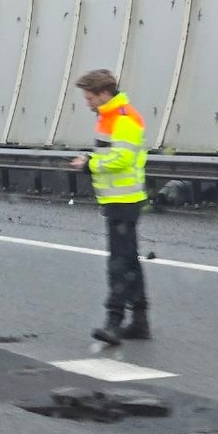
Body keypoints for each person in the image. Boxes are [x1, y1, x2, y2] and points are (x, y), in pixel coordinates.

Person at [70, 69, 151, 345]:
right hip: (118, 198)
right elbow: (111, 153)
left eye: (90, 97)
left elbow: (122, 159)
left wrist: (88, 165)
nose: (87, 102)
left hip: (124, 200)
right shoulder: (109, 117)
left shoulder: (124, 118)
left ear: (105, 93)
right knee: (128, 259)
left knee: (118, 262)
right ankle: (140, 320)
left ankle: (114, 322)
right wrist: (91, 157)